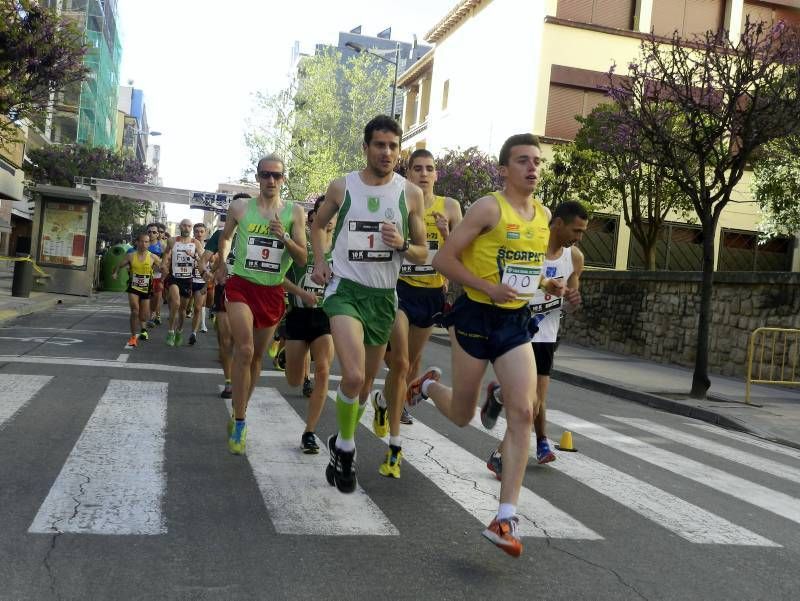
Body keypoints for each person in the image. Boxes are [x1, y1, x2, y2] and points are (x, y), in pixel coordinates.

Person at [406, 133, 562, 557]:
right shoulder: (488, 207)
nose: (532, 168)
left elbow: (527, 269)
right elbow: (443, 260)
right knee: (460, 414)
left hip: (514, 323)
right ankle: (425, 387)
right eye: (523, 161)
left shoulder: (544, 215)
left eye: (537, 161)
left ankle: (505, 517)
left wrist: (548, 282)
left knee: (524, 411)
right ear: (504, 168)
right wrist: (487, 288)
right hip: (476, 316)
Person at [310, 115, 427, 493]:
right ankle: (345, 447)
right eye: (380, 145)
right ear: (366, 147)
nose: (387, 152)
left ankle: (341, 439)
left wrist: (403, 245)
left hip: (383, 299)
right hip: (345, 290)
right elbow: (318, 225)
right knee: (355, 376)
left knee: (363, 388)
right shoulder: (342, 187)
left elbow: (423, 254)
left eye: (393, 146)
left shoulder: (410, 194)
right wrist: (319, 260)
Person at [373, 149, 462, 478]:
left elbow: (462, 256)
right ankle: (395, 447)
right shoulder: (400, 201)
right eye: (417, 169)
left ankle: (383, 400)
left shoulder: (450, 207)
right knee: (401, 362)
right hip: (400, 289)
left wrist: (447, 233)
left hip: (431, 293)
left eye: (429, 169)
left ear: (436, 174)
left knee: (409, 364)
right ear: (407, 174)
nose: (423, 174)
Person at [483, 201, 587, 479]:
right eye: (576, 230)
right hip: (518, 329)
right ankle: (501, 455)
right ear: (558, 224)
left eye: (582, 232)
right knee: (530, 401)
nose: (579, 237)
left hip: (547, 336)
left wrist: (573, 299)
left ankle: (499, 396)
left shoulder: (575, 258)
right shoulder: (531, 248)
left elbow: (571, 301)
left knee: (535, 401)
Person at [215, 154, 307, 455]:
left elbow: (303, 259)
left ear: (283, 179)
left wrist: (285, 239)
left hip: (271, 292)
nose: (271, 180)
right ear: (257, 177)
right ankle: (240, 423)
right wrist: (223, 262)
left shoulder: (295, 213)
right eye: (266, 174)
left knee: (255, 361)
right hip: (241, 285)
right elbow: (225, 238)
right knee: (244, 350)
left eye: (276, 176)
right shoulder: (241, 207)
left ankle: (239, 409)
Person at [282, 195, 336, 454]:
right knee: (293, 380)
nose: (330, 218)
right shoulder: (302, 243)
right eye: (326, 212)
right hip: (298, 316)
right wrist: (301, 293)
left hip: (327, 316)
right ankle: (286, 353)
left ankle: (310, 432)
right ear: (316, 215)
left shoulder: (343, 246)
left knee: (324, 369)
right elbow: (278, 276)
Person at [203, 194, 250, 399]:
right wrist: (209, 274)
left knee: (245, 342)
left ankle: (242, 375)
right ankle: (229, 382)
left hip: (251, 289)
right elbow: (203, 261)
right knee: (226, 338)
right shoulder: (220, 234)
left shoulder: (259, 232)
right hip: (226, 288)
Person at [112, 230, 161, 348]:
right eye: (142, 242)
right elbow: (119, 265)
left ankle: (143, 328)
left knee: (144, 315)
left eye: (146, 242)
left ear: (149, 244)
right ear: (137, 243)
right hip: (133, 287)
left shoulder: (153, 257)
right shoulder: (130, 256)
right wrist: (115, 273)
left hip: (146, 288)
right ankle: (133, 337)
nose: (144, 244)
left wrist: (163, 279)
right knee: (135, 310)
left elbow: (164, 268)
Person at [161, 219, 205, 347]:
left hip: (187, 279)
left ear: (191, 228)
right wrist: (164, 264)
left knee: (183, 310)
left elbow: (203, 260)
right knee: (176, 302)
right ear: (180, 226)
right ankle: (170, 331)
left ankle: (179, 330)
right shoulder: (172, 240)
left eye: (189, 226)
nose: (186, 228)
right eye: (184, 225)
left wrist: (195, 257)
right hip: (174, 277)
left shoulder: (195, 243)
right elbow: (166, 253)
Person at [188, 222, 210, 345]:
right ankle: (177, 329)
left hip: (201, 281)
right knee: (183, 307)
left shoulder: (209, 247)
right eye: (196, 231)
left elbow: (210, 263)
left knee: (197, 308)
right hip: (187, 280)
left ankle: (193, 333)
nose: (199, 234)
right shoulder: (188, 245)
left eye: (201, 231)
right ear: (193, 233)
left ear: (205, 232)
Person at [146, 223, 165, 327]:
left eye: (154, 232)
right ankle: (151, 316)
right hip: (144, 276)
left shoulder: (162, 245)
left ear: (158, 234)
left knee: (157, 298)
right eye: (149, 232)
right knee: (146, 298)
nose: (151, 234)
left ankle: (156, 314)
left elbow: (165, 262)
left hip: (158, 276)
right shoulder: (143, 243)